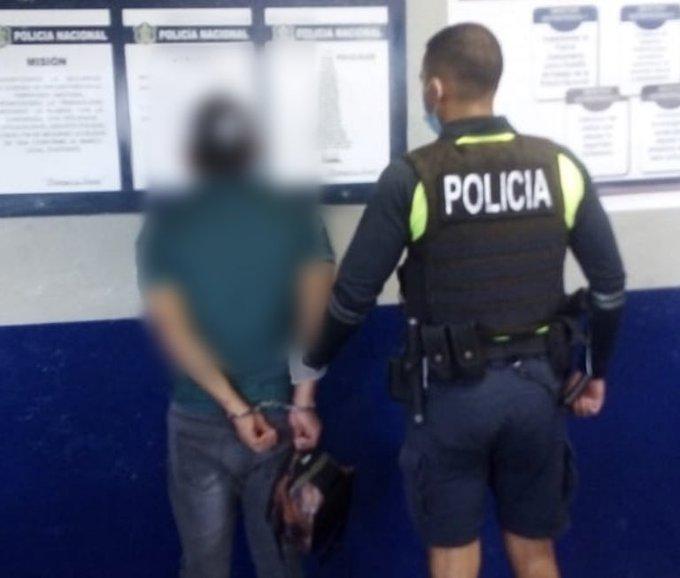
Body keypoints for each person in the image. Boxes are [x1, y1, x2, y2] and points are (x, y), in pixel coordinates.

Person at [302, 24, 625, 578]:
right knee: (536, 553)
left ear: (435, 90)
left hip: (451, 397)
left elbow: (352, 300)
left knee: (453, 558)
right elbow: (609, 288)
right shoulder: (560, 166)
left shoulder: (413, 178)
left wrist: (307, 372)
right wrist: (595, 372)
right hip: (537, 393)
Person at [136, 96, 335, 578]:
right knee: (280, 564)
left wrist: (236, 410)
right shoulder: (296, 215)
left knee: (204, 565)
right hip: (281, 413)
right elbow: (315, 318)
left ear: (190, 152)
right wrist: (304, 401)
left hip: (199, 416)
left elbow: (176, 334)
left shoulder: (166, 226)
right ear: (257, 147)